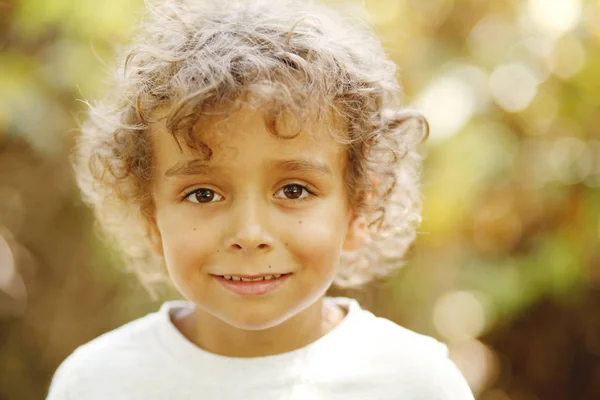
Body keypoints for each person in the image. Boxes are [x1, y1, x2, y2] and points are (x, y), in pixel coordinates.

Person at [47, 0, 474, 398]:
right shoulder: (97, 383)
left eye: (294, 190)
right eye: (203, 193)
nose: (250, 234)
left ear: (358, 207)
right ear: (150, 217)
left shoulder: (414, 384)